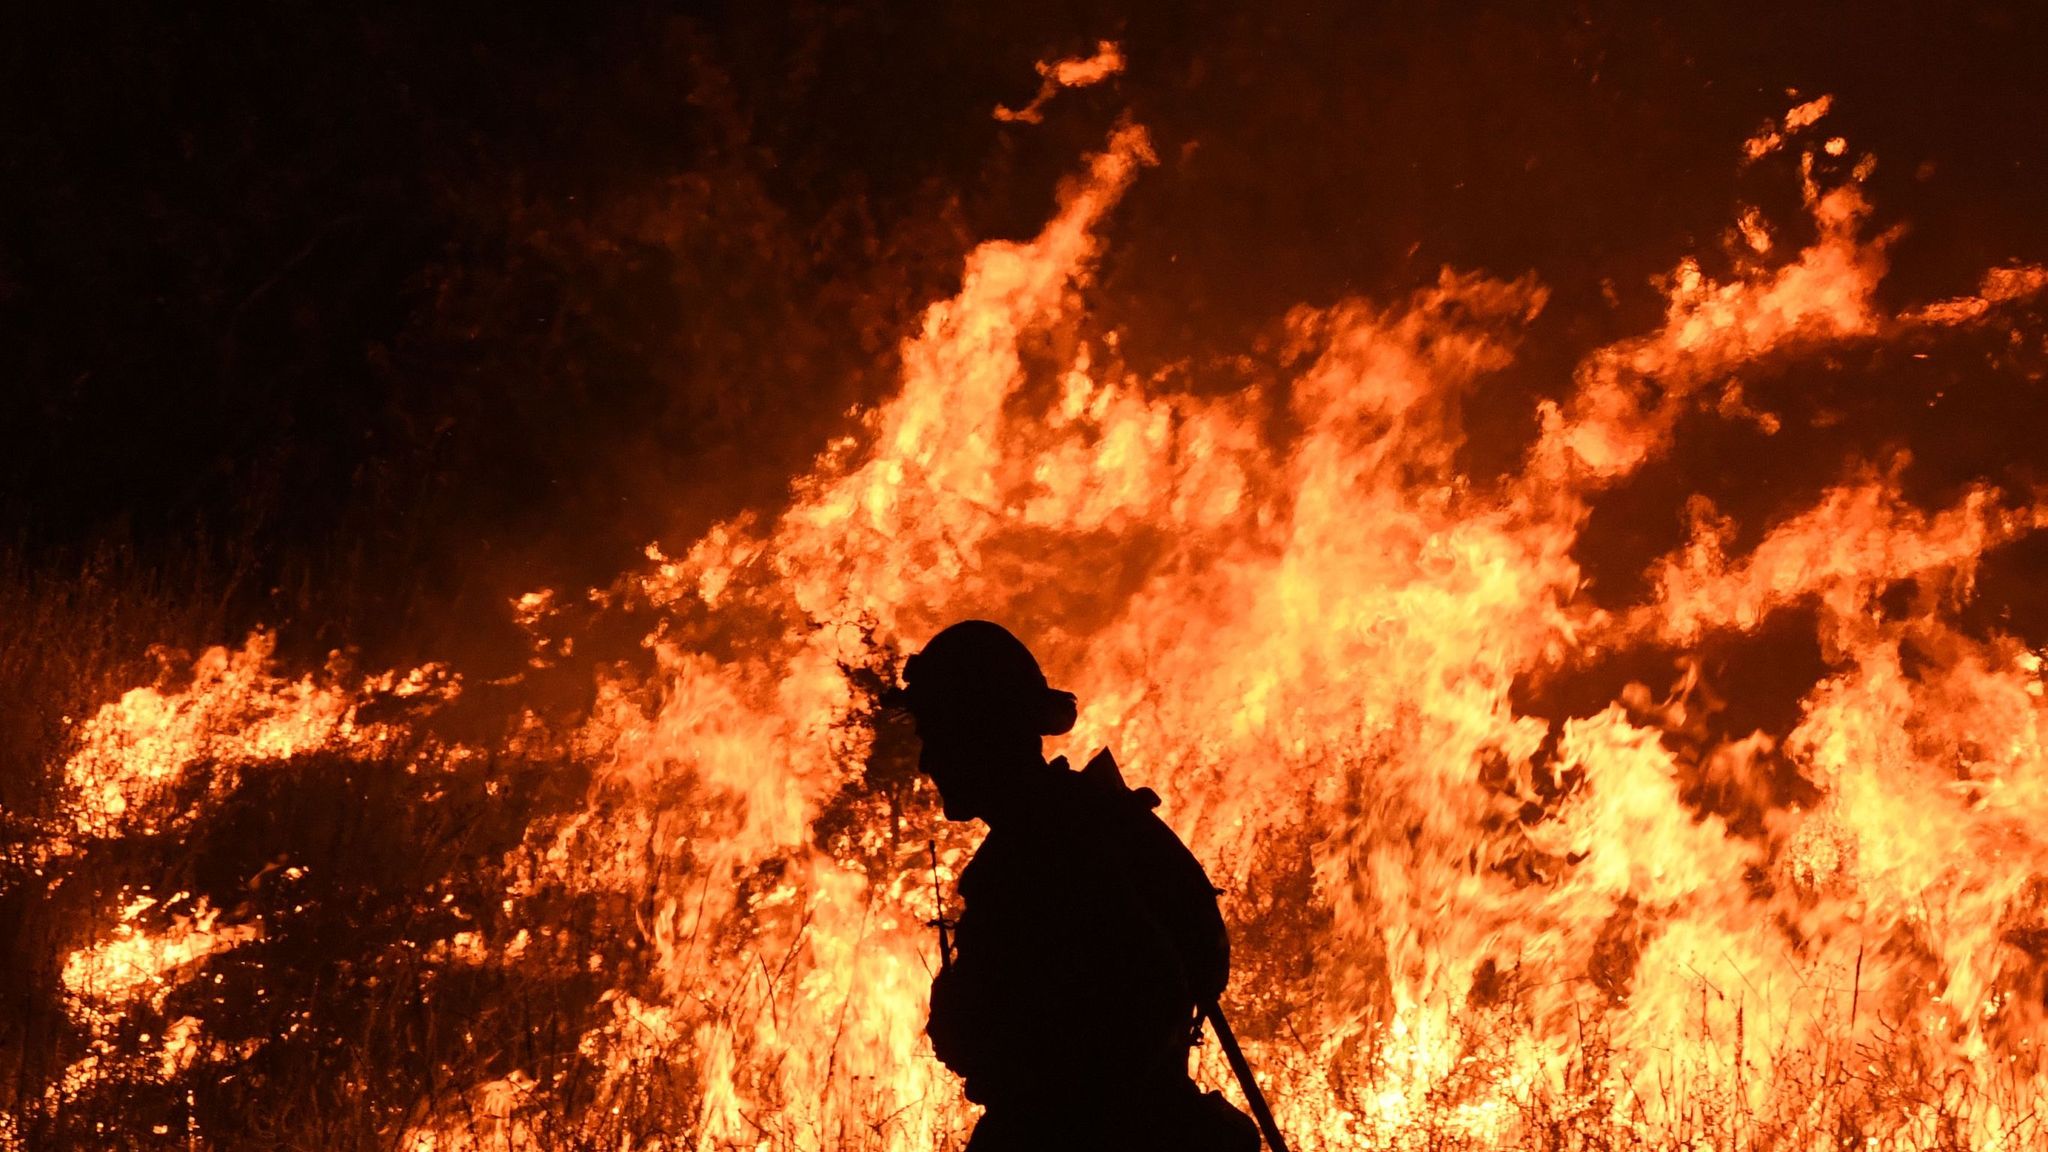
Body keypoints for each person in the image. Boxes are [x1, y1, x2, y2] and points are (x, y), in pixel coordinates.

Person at [883, 620, 1260, 1152]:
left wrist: (989, 1034)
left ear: (979, 733)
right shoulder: (1072, 825)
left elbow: (1145, 996)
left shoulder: (1052, 848)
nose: (928, 762)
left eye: (936, 736)